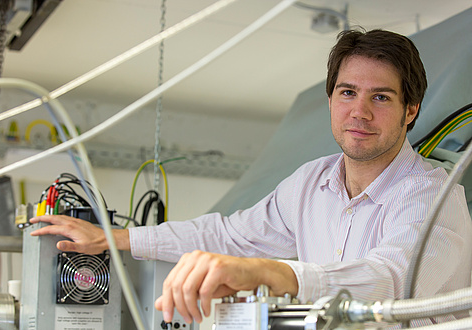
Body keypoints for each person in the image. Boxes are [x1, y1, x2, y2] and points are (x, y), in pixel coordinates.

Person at [30, 29, 472, 327]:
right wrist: (114, 238)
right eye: (347, 92)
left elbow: (393, 280)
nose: (359, 111)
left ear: (410, 109)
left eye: (381, 96)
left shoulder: (433, 195)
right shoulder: (310, 183)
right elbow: (229, 236)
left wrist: (270, 272)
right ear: (331, 100)